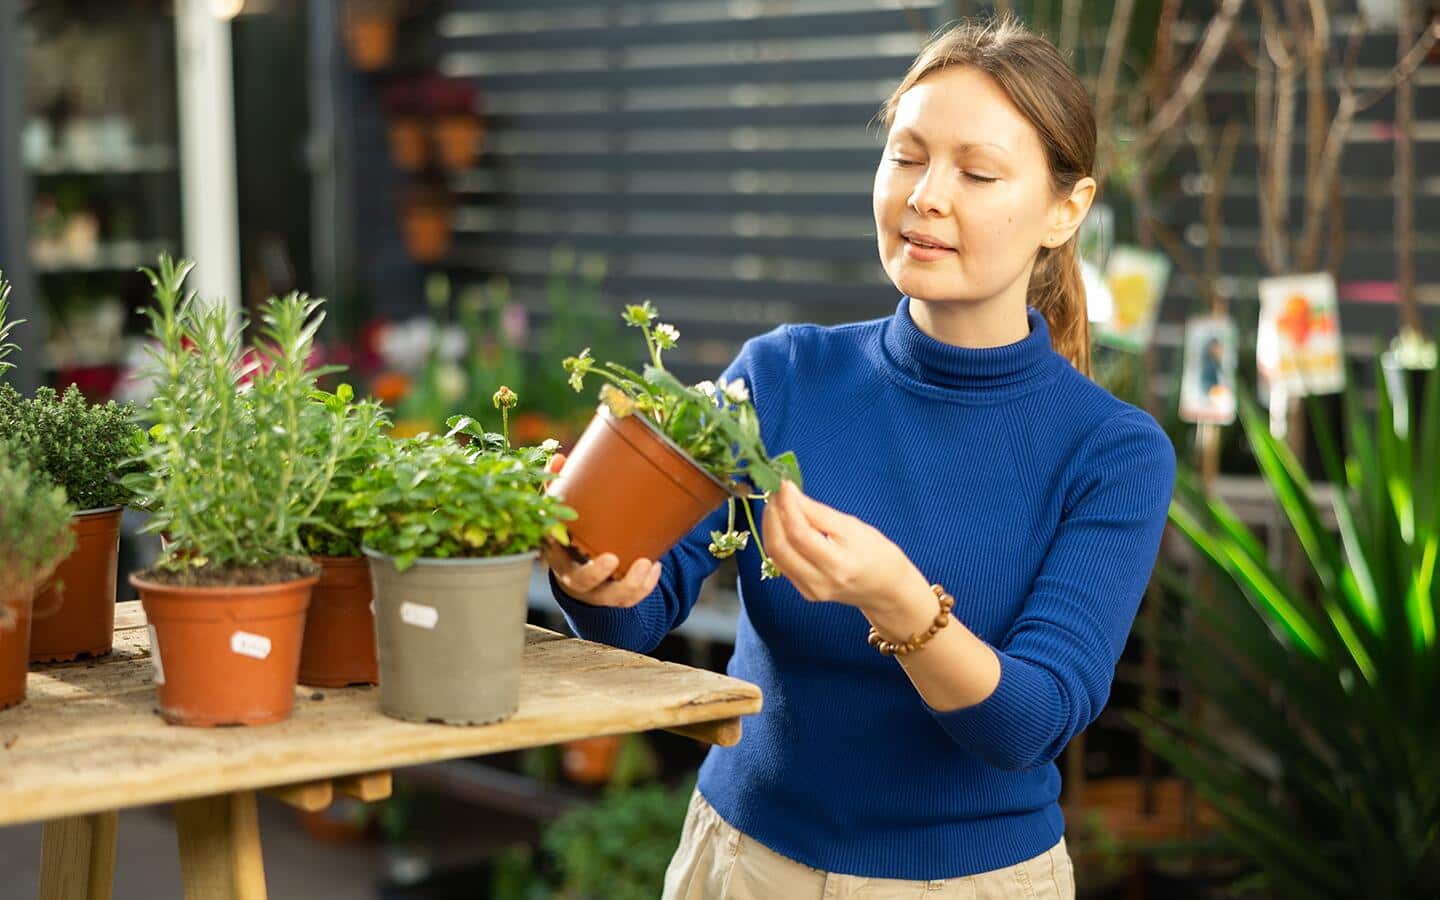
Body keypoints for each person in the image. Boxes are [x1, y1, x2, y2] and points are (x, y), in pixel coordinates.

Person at [540, 16, 1175, 900]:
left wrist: (897, 599)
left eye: (977, 171)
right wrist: (591, 574)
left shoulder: (1111, 453)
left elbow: (1029, 723)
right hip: (742, 863)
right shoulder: (783, 374)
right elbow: (639, 619)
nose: (925, 196)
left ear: (1065, 210)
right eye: (907, 156)